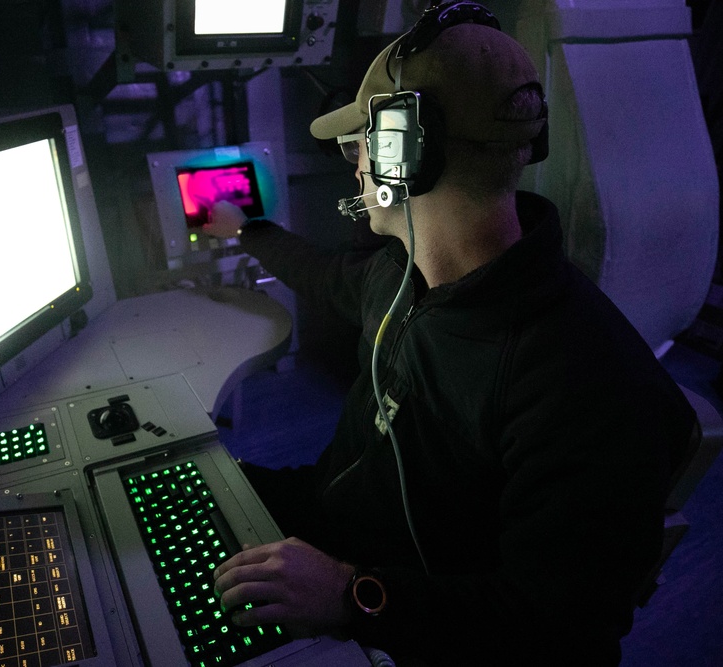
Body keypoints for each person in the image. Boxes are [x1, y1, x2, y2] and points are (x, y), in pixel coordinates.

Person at [202, 3, 697, 665]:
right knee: (190, 492)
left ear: (401, 152)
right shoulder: (401, 277)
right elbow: (323, 276)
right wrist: (247, 230)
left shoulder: (584, 381)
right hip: (332, 527)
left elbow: (563, 628)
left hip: (409, 616)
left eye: (361, 147)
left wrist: (356, 595)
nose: (355, 168)